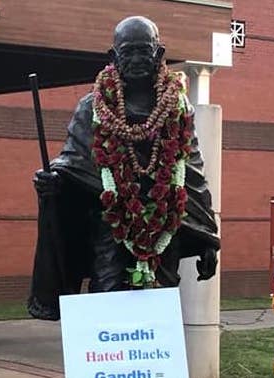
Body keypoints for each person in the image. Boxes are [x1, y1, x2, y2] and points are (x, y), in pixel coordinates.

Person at [28, 16, 219, 320]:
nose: (136, 60)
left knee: (159, 313)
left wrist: (208, 239)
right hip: (110, 228)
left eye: (144, 51)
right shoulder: (92, 107)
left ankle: (154, 368)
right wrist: (53, 183)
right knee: (109, 303)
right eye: (127, 52)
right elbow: (73, 165)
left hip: (163, 229)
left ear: (159, 54)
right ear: (114, 57)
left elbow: (192, 174)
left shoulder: (178, 108)